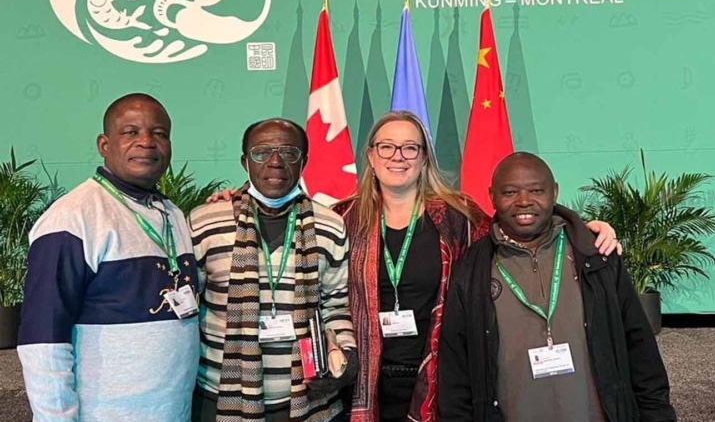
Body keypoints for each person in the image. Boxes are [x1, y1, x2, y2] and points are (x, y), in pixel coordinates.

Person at [330, 111, 623, 422]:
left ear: (424, 157)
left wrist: (582, 229)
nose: (398, 156)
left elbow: (518, 228)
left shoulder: (458, 216)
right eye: (387, 146)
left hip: (443, 377)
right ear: (371, 156)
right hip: (365, 382)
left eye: (410, 147)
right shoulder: (341, 220)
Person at [437, 152, 677, 422]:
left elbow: (639, 347)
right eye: (510, 192)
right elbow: (455, 371)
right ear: (492, 196)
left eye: (536, 190)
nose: (524, 201)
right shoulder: (472, 270)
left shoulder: (595, 255)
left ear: (555, 192)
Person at [17, 93, 200, 422]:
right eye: (130, 132)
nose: (146, 142)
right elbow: (42, 340)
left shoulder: (172, 214)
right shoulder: (72, 219)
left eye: (158, 133)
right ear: (104, 144)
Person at [189, 118, 358, 422]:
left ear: (304, 162)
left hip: (308, 399)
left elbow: (336, 305)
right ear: (245, 162)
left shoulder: (330, 225)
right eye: (261, 152)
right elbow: (188, 308)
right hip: (221, 396)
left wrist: (345, 361)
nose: (276, 162)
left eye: (289, 153)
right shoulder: (205, 221)